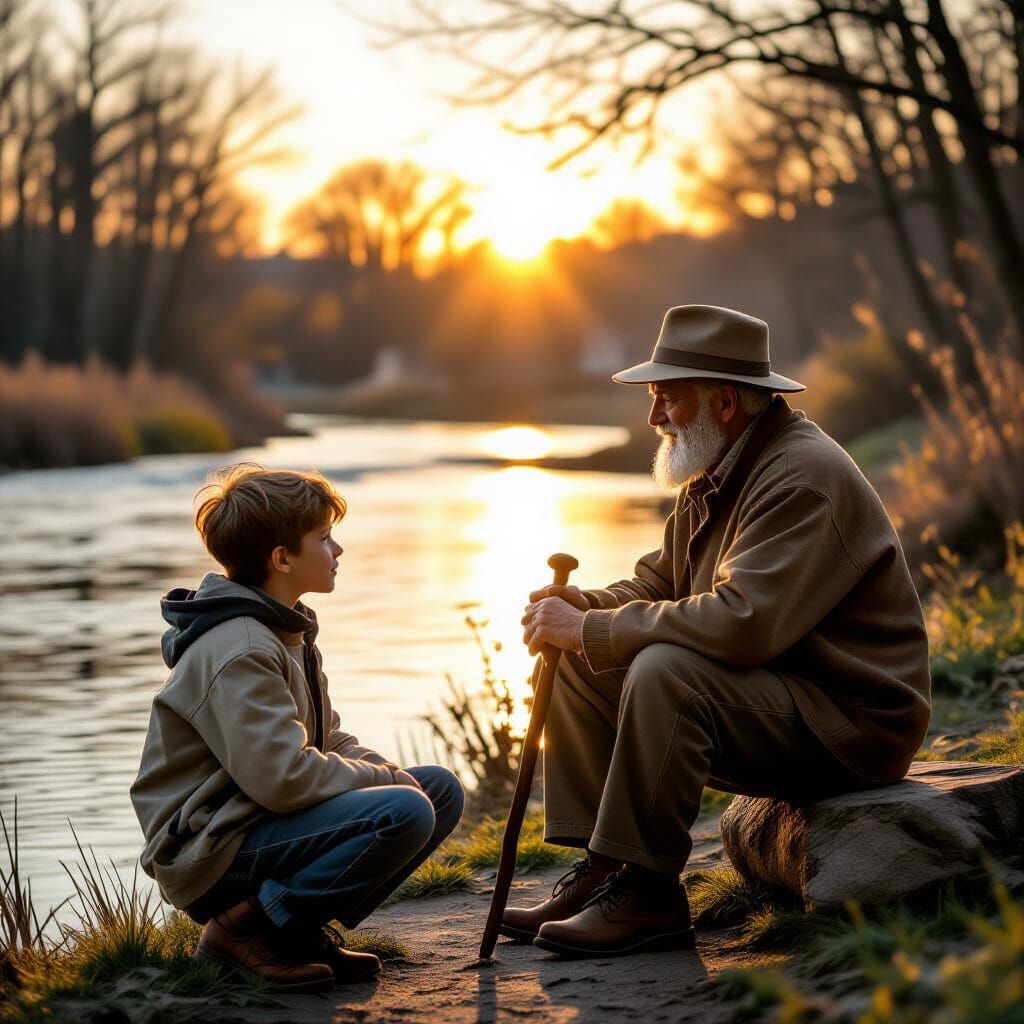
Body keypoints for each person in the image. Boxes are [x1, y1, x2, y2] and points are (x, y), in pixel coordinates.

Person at [502, 304, 931, 958]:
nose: (653, 418)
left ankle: (648, 896)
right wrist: (581, 608)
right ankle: (605, 872)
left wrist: (591, 627)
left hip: (848, 721)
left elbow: (741, 625)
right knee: (583, 654)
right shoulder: (716, 469)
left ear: (725, 402)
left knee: (662, 671)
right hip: (782, 694)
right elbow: (658, 584)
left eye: (666, 399)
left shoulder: (800, 476)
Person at [131, 465, 464, 990]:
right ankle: (243, 932)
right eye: (325, 538)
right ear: (282, 558)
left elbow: (327, 740)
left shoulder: (285, 628)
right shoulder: (241, 647)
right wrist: (386, 786)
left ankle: (294, 931)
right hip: (211, 849)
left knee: (437, 789)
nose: (339, 551)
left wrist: (388, 771)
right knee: (404, 808)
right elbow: (283, 779)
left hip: (254, 822)